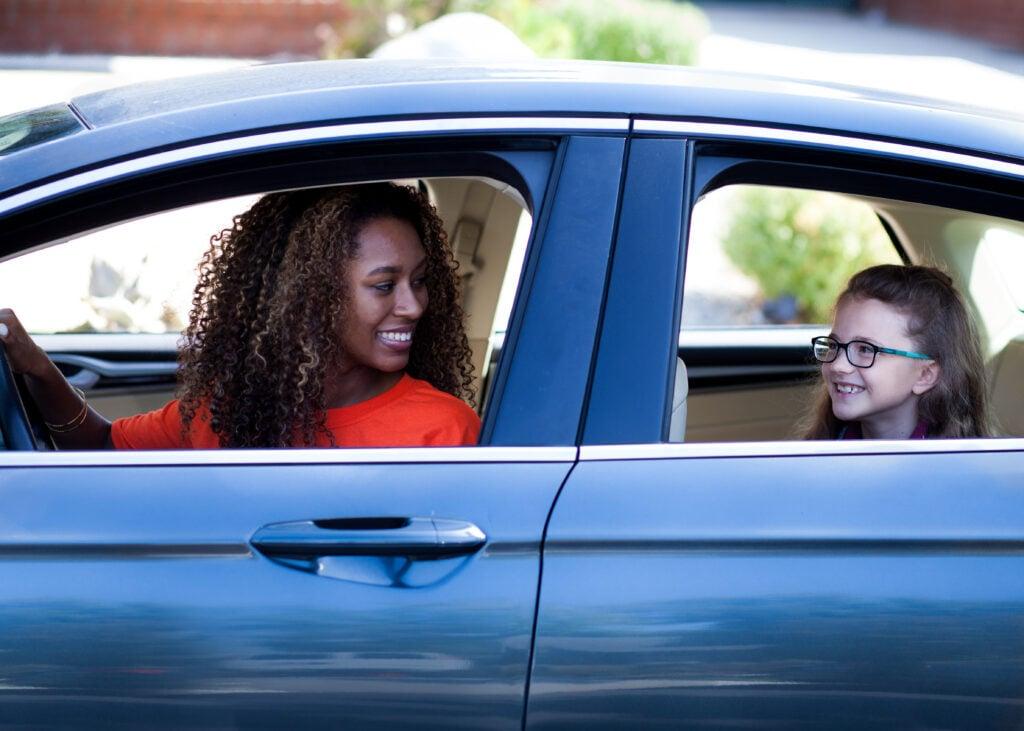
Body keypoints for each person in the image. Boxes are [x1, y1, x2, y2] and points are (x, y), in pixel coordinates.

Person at [0, 182, 480, 449]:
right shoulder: (232, 414)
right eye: (384, 286)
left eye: (419, 280)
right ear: (312, 296)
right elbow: (104, 446)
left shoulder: (444, 429)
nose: (413, 305)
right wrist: (38, 368)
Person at [802, 263, 993, 440]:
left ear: (925, 375)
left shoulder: (953, 470)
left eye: (866, 349)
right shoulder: (822, 451)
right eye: (834, 345)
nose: (838, 365)